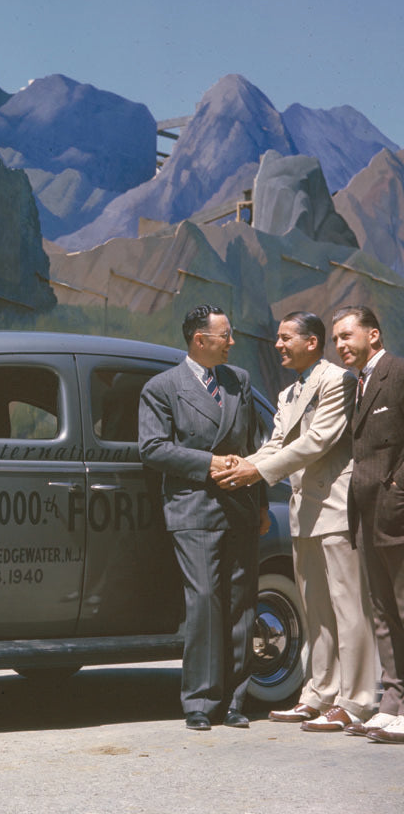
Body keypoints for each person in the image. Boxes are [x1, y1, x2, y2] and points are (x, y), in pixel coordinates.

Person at [212, 311, 376, 731]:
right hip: (305, 511)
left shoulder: (336, 381)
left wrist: (256, 473)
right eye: (278, 339)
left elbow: (317, 441)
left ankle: (355, 700)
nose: (279, 345)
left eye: (287, 338)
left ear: (311, 343)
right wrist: (240, 464)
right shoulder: (288, 394)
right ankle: (318, 694)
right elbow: (277, 443)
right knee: (315, 608)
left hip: (336, 508)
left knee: (348, 607)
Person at [138, 304, 268, 730]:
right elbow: (153, 448)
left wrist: (262, 502)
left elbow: (257, 444)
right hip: (194, 508)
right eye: (225, 335)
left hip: (242, 508)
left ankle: (233, 700)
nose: (232, 343)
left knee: (240, 605)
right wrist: (210, 463)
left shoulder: (239, 382)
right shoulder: (162, 387)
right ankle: (199, 700)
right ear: (200, 339)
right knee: (204, 602)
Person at [330, 304, 404, 743]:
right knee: (382, 612)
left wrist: (397, 491)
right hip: (366, 513)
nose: (340, 344)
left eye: (347, 335)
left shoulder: (397, 373)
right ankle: (392, 702)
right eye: (337, 338)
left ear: (373, 335)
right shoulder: (355, 385)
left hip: (396, 512)